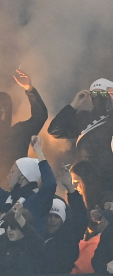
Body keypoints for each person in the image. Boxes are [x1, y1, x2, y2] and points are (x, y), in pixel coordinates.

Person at [0, 129, 56, 237]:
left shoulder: (38, 201)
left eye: (12, 171)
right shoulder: (8, 200)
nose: (8, 176)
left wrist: (38, 151)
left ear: (22, 176)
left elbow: (50, 184)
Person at [48, 79, 113, 210]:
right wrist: (73, 105)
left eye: (104, 94)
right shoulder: (84, 118)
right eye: (94, 94)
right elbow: (55, 130)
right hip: (85, 181)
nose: (98, 98)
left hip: (108, 181)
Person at [40, 168, 87, 275]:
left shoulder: (69, 237)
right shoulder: (38, 234)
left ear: (62, 219)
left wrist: (70, 188)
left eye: (56, 216)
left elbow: (81, 217)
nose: (52, 220)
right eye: (50, 216)